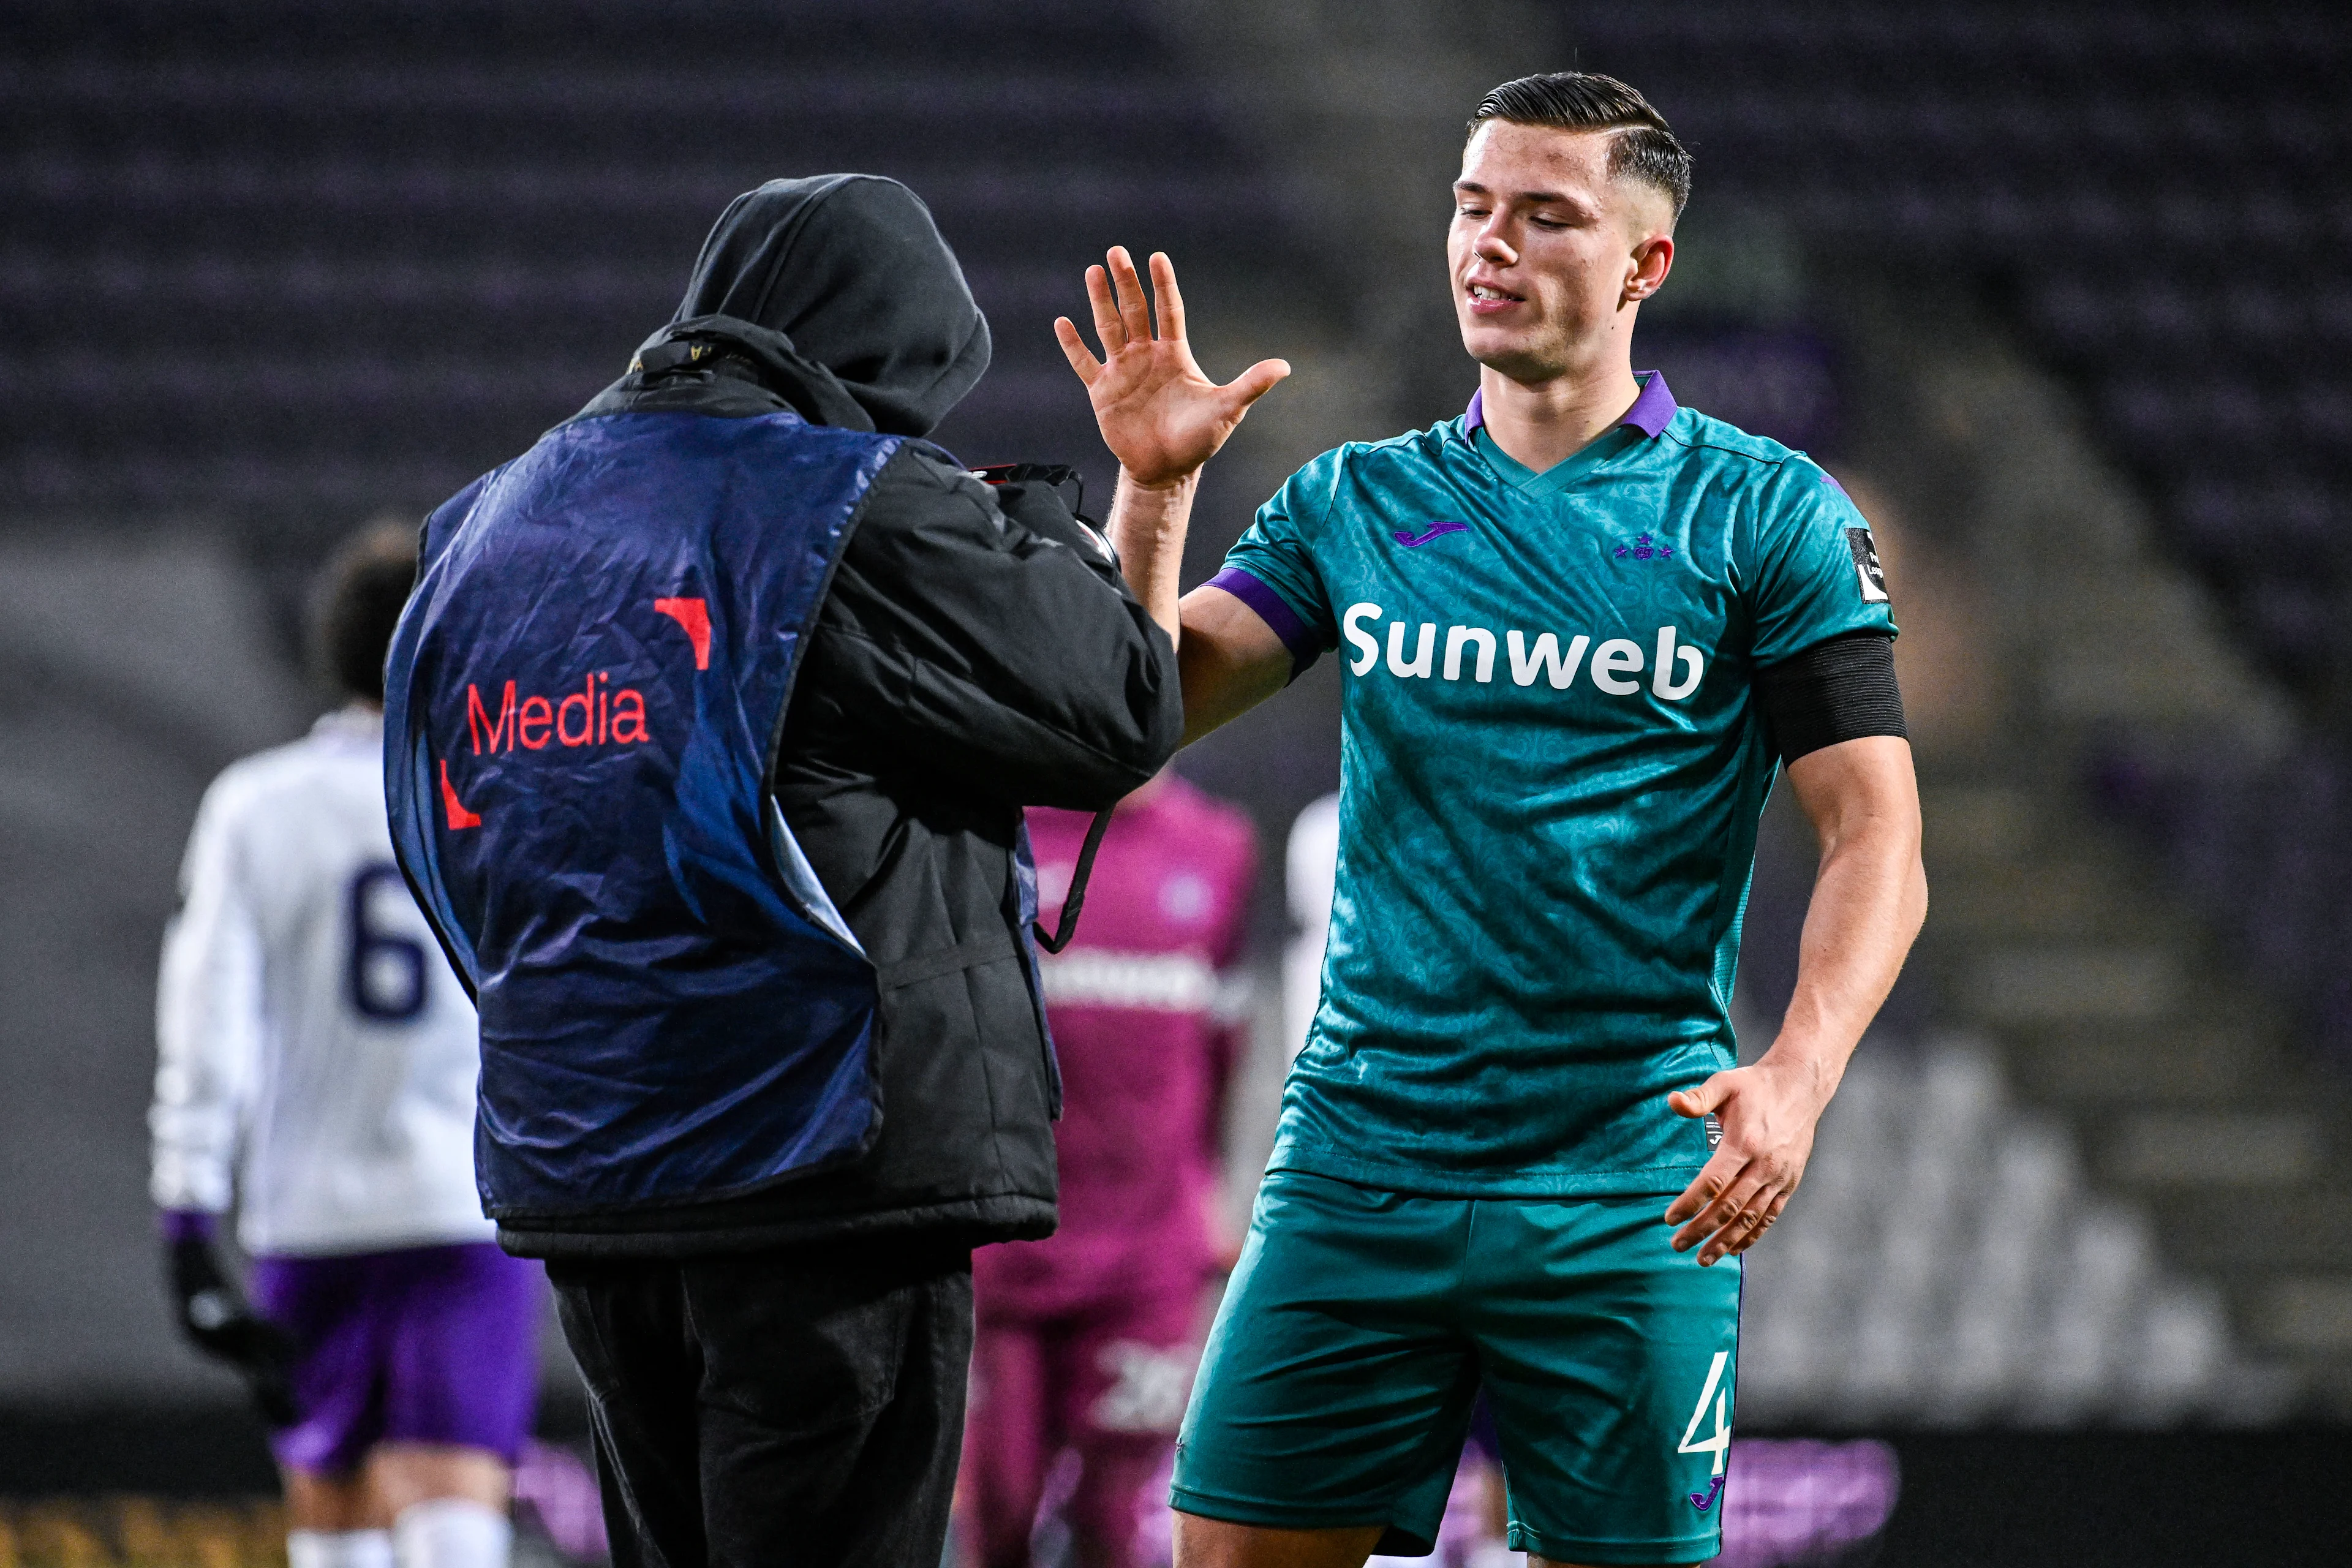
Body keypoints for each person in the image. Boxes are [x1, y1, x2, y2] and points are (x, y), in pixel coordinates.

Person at [1055, 72, 1928, 1568]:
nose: (1490, 244)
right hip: (1357, 1156)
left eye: (1544, 215)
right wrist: (1154, 497)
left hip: (1624, 1178)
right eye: (1472, 207)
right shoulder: (1357, 503)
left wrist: (1796, 1072)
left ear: (1646, 263)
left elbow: (1878, 839)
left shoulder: (1763, 515)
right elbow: (1129, 721)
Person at [379, 176, 1287, 1568]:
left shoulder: (485, 526)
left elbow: (443, 834)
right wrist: (1134, 501)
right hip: (821, 1165)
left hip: (591, 1168)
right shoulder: (845, 504)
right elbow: (1115, 712)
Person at [152, 523, 540, 1568]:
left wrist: (187, 1211)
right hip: (468, 1205)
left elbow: (207, 1019)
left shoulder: (257, 807)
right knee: (456, 1506)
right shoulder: (507, 794)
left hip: (308, 1215)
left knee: (334, 1523)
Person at [962, 771, 1257, 1568]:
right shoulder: (989, 832)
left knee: (1116, 1519)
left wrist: (1210, 1190)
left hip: (1147, 1258)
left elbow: (1222, 1047)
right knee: (999, 1513)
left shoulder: (1219, 846)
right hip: (1006, 1247)